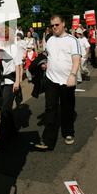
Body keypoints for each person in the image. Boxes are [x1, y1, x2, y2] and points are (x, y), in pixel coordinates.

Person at [35, 15, 81, 150]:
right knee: (50, 109)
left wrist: (73, 75)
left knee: (67, 108)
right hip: (51, 79)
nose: (54, 27)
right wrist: (44, 64)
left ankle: (68, 132)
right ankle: (48, 140)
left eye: (57, 25)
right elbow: (47, 55)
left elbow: (76, 59)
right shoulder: (49, 40)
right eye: (52, 25)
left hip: (67, 81)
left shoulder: (72, 40)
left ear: (63, 24)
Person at [0, 26, 22, 147]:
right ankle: (12, 131)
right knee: (4, 108)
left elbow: (17, 65)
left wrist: (17, 81)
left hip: (10, 81)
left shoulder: (12, 47)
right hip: (0, 81)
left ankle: (3, 138)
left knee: (5, 110)